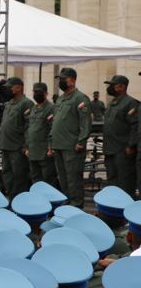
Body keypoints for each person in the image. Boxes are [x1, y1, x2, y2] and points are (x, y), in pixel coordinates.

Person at [49, 67, 92, 208]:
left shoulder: (80, 98)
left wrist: (81, 141)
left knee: (73, 178)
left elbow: (85, 123)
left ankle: (76, 205)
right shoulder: (60, 99)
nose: (60, 82)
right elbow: (55, 122)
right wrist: (51, 142)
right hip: (58, 144)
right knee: (63, 178)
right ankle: (67, 203)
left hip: (72, 146)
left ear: (72, 81)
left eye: (63, 79)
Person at [101, 75, 138, 195]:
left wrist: (131, 145)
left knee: (125, 182)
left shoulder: (131, 103)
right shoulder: (112, 103)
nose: (110, 87)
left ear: (122, 87)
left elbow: (135, 125)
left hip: (122, 150)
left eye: (113, 85)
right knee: (111, 181)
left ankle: (125, 210)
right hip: (110, 148)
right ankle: (113, 209)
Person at [0, 77, 32, 195]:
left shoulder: (26, 103)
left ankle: (19, 200)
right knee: (7, 174)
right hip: (6, 144)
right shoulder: (9, 104)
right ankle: (12, 198)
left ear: (19, 88)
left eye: (10, 87)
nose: (7, 90)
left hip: (17, 146)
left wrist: (26, 145)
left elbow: (29, 126)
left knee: (19, 176)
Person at [27, 82, 58, 186]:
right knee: (35, 179)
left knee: (48, 179)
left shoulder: (51, 108)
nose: (36, 94)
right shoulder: (34, 108)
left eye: (39, 92)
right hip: (33, 150)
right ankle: (38, 200)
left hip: (44, 151)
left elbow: (53, 129)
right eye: (35, 92)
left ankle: (51, 201)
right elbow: (29, 128)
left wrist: (50, 147)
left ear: (46, 93)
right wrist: (27, 147)